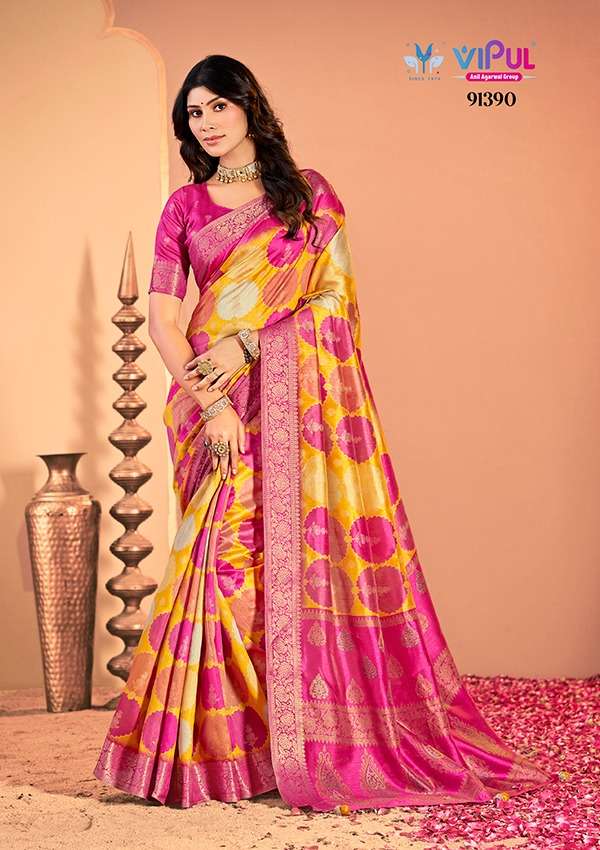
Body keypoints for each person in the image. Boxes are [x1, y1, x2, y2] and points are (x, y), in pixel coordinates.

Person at [93, 54, 550, 811]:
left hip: (291, 400)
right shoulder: (184, 208)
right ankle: (226, 757)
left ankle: (287, 744)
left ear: (249, 106)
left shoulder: (307, 195)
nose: (205, 123)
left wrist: (251, 345)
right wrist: (209, 400)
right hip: (211, 402)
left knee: (280, 567)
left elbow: (333, 301)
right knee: (219, 567)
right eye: (193, 114)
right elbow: (164, 318)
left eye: (217, 106)